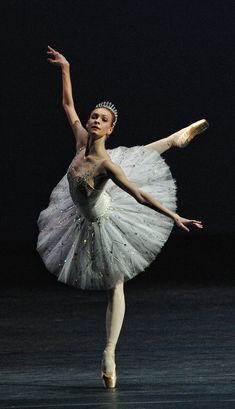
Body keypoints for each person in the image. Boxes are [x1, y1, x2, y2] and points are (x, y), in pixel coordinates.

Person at [37, 45, 209, 389]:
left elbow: (140, 194)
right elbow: (68, 105)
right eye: (94, 116)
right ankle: (173, 140)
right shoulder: (81, 139)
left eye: (103, 119)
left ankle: (110, 353)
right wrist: (66, 67)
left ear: (111, 129)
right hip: (77, 216)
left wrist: (174, 216)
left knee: (116, 283)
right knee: (135, 158)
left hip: (106, 218)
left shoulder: (106, 165)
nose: (95, 120)